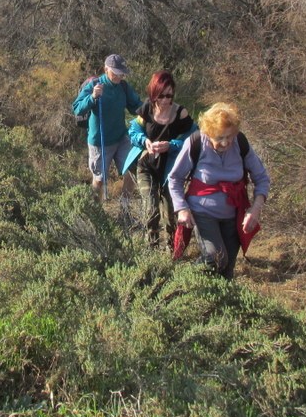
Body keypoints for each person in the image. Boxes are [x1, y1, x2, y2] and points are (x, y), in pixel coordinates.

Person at [167, 102, 269, 279]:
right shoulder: (196, 143)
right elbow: (175, 178)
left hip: (233, 214)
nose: (226, 142)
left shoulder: (240, 143)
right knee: (216, 258)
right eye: (219, 137)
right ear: (209, 133)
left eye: (229, 136)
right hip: (203, 212)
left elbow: (262, 178)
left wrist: (255, 209)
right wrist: (182, 209)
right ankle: (183, 278)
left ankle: (216, 304)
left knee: (226, 269)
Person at [126, 71, 195, 249]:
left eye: (169, 95)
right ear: (154, 94)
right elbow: (134, 130)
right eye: (161, 95)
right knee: (151, 209)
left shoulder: (180, 113)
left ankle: (172, 250)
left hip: (170, 170)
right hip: (147, 165)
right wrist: (145, 141)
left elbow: (194, 136)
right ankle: (153, 248)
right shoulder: (147, 109)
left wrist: (172, 145)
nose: (165, 100)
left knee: (170, 213)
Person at [71, 54, 142, 204]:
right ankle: (97, 213)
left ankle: (125, 209)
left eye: (121, 73)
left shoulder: (123, 86)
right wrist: (92, 97)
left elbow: (136, 105)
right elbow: (77, 109)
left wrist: (150, 111)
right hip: (100, 142)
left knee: (131, 171)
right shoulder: (95, 85)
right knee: (99, 180)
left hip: (121, 138)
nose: (119, 76)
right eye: (115, 72)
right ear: (106, 69)